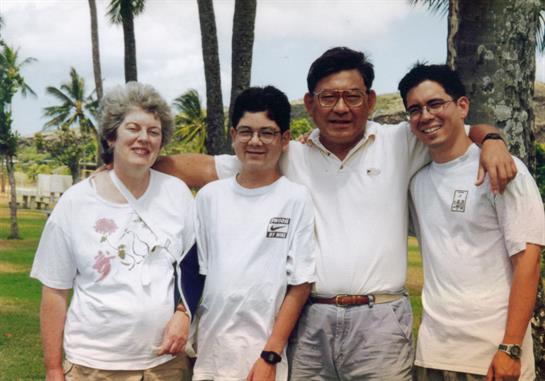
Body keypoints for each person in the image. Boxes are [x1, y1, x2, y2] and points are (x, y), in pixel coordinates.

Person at [155, 47, 516, 380]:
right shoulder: (287, 153)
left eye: (352, 96)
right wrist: (129, 161)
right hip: (311, 320)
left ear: (370, 100)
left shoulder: (400, 142)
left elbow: (461, 131)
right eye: (328, 97)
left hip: (381, 321)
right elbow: (204, 168)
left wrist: (492, 140)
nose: (340, 108)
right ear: (311, 104)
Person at [31, 82, 196, 381]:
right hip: (93, 367)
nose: (143, 138)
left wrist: (184, 314)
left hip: (165, 365)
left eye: (154, 132)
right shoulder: (76, 202)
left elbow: (195, 268)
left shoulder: (177, 194)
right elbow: (54, 290)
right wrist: (54, 368)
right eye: (133, 128)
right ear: (111, 136)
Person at [397, 64, 544, 381]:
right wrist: (488, 135)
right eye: (415, 109)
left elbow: (528, 260)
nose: (426, 116)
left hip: (491, 357)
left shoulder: (503, 168)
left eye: (435, 104)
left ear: (462, 106)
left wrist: (511, 348)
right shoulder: (417, 182)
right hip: (433, 353)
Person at [192, 86, 317, 381]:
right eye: (246, 132)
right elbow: (198, 275)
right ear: (233, 135)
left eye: (267, 132)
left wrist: (270, 356)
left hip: (262, 363)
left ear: (284, 139)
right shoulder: (209, 197)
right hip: (210, 358)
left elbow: (300, 284)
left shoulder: (295, 198)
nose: (256, 141)